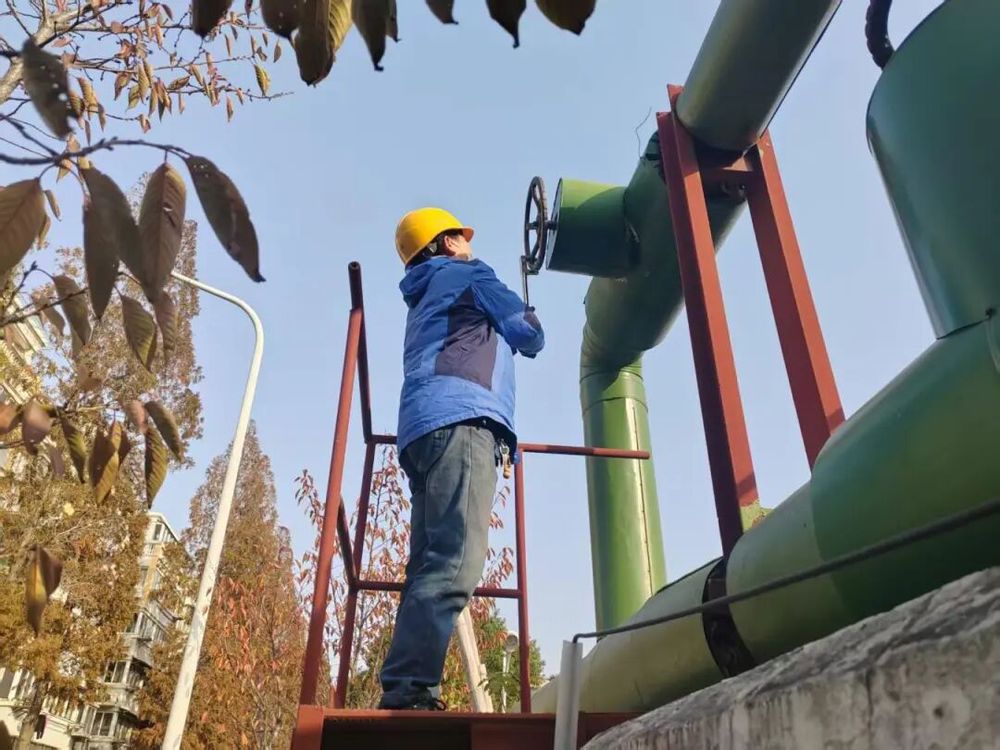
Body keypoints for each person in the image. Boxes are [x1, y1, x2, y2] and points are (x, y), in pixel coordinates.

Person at [378, 207, 544, 710]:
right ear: (447, 243)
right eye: (461, 237)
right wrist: (529, 314)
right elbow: (528, 334)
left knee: (428, 564)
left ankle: (404, 684)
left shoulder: (423, 295)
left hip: (421, 431)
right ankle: (410, 690)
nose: (468, 244)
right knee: (456, 563)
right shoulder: (469, 274)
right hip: (463, 423)